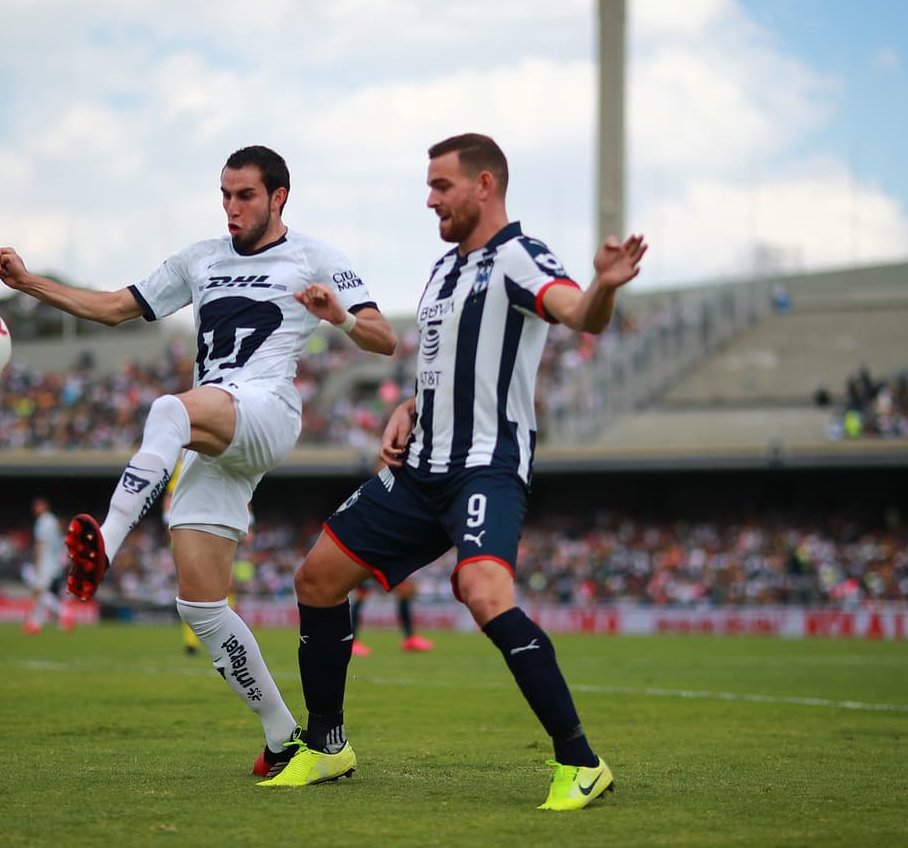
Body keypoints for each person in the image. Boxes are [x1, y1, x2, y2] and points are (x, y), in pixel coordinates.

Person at [260, 133, 646, 812]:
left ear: (484, 185)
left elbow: (578, 315)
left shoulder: (519, 256)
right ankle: (326, 744)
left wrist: (604, 288)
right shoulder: (442, 270)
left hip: (485, 467)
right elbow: (441, 365)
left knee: (482, 589)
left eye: (442, 185)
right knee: (317, 578)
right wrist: (409, 406)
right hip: (420, 468)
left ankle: (581, 762)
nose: (431, 199)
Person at [0, 145, 398, 777]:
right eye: (225, 195)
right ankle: (283, 737)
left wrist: (338, 316)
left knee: (168, 410)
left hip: (266, 408)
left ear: (279, 197)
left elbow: (384, 338)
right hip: (217, 426)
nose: (232, 208)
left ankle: (107, 541)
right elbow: (115, 308)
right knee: (200, 606)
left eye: (246, 196)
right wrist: (28, 284)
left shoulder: (315, 257)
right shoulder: (200, 259)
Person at [24, 496, 70, 634]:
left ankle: (64, 613)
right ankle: (35, 623)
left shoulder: (43, 521)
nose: (35, 509)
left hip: (46, 561)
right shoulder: (53, 520)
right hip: (54, 561)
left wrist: (37, 562)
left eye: (37, 506)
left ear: (44, 507)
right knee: (41, 593)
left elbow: (41, 543)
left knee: (39, 592)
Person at [349, 581, 433, 655]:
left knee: (404, 590)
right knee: (361, 594)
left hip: (386, 567)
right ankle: (352, 642)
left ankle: (410, 639)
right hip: (370, 568)